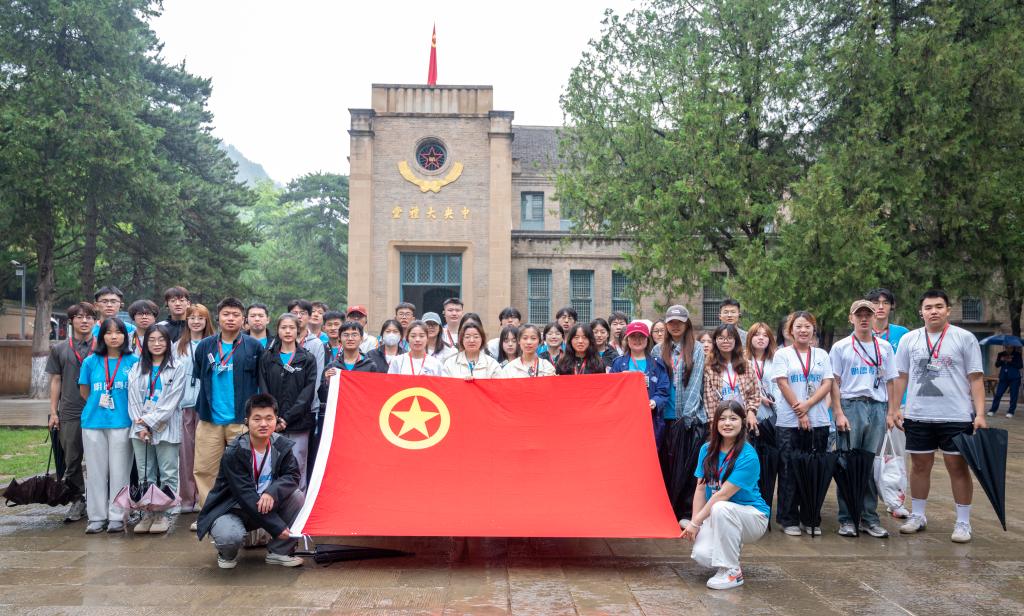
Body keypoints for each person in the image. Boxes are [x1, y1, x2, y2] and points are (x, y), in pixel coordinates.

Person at [892, 289, 987, 543]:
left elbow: (976, 378)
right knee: (919, 466)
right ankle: (918, 515)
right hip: (918, 414)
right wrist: (895, 408)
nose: (933, 311)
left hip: (956, 415)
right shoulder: (909, 339)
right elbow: (900, 376)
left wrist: (980, 414)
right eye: (928, 307)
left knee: (957, 467)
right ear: (920, 312)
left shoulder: (964, 338)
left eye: (938, 306)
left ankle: (963, 522)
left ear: (948, 310)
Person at [197, 394, 304, 569]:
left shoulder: (282, 445)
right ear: (247, 421)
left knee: (297, 497)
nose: (263, 424)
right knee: (229, 537)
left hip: (264, 505)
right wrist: (277, 527)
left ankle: (279, 552)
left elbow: (292, 475)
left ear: (276, 420)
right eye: (257, 419)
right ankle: (226, 554)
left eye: (269, 418)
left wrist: (272, 492)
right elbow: (245, 494)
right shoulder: (235, 451)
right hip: (233, 509)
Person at [828, 300, 898, 538]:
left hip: (877, 406)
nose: (864, 318)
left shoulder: (884, 347)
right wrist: (838, 412)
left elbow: (890, 381)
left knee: (869, 464)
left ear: (874, 318)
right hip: (851, 406)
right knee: (847, 463)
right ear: (851, 318)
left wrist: (891, 412)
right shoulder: (841, 347)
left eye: (868, 314)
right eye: (859, 315)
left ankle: (869, 517)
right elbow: (834, 382)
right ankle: (847, 518)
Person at [682, 400, 769, 590]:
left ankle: (732, 572)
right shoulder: (706, 449)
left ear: (742, 422)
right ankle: (731, 544)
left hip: (753, 516)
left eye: (733, 418)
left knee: (720, 507)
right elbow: (700, 489)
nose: (727, 423)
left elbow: (721, 496)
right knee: (703, 555)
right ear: (715, 423)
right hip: (720, 514)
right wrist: (696, 523)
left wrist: (695, 523)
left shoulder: (748, 456)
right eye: (722, 419)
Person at [192, 298, 264, 512]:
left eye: (235, 315)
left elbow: (260, 381)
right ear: (218, 318)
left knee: (244, 470)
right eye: (226, 314)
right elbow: (199, 374)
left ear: (243, 320)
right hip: (209, 419)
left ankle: (244, 513)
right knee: (205, 469)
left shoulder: (253, 346)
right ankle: (209, 514)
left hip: (241, 420)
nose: (230, 318)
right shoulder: (205, 346)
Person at [770, 311, 834, 536]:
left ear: (813, 329)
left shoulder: (822, 354)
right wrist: (800, 410)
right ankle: (788, 519)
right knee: (789, 469)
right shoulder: (782, 354)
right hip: (789, 422)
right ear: (791, 331)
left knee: (813, 470)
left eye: (807, 326)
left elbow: (827, 383)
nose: (803, 330)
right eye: (798, 326)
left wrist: (808, 405)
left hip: (819, 420)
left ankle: (811, 517)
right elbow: (782, 383)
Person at [77, 317, 138, 534]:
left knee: (120, 471)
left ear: (125, 336)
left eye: (118, 332)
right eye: (109, 332)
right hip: (93, 422)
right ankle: (96, 517)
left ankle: (117, 516)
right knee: (95, 472)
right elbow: (85, 391)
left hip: (122, 422)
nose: (114, 337)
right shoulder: (90, 362)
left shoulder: (134, 361)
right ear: (101, 336)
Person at [127, 323, 187, 534]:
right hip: (139, 429)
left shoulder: (178, 367)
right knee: (146, 473)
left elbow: (172, 401)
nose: (157, 344)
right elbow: (132, 399)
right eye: (151, 340)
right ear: (145, 344)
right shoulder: (137, 367)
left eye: (161, 340)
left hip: (166, 427)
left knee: (168, 473)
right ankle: (147, 513)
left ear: (168, 343)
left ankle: (163, 514)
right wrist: (141, 425)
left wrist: (149, 422)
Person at [46, 301, 97, 523]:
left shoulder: (103, 346)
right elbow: (56, 380)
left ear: (95, 321)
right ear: (71, 321)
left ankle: (101, 499)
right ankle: (78, 499)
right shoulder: (59, 349)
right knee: (72, 458)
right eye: (79, 317)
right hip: (70, 410)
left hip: (99, 410)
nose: (84, 321)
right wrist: (53, 412)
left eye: (89, 317)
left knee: (100, 457)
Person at [258, 314, 317, 489]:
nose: (288, 331)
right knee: (272, 465)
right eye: (284, 327)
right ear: (277, 330)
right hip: (272, 424)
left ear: (298, 330)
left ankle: (298, 501)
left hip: (299, 423)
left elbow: (307, 393)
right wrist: (274, 417)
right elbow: (264, 388)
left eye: (292, 327)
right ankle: (272, 499)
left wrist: (287, 418)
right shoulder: (267, 357)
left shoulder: (307, 358)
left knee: (298, 465)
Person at [174, 303, 214, 514]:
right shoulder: (178, 346)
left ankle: (203, 497)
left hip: (207, 405)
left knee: (206, 453)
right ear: (186, 321)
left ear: (207, 321)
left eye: (201, 318)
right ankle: (186, 498)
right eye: (192, 318)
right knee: (186, 453)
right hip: (185, 405)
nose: (196, 322)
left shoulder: (214, 343)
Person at [610, 322, 671, 443]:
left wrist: (654, 402)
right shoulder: (618, 363)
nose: (637, 340)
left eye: (641, 336)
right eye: (633, 336)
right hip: (624, 419)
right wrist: (620, 379)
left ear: (647, 339)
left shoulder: (656, 364)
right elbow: (611, 390)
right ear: (627, 339)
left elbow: (663, 390)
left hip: (650, 419)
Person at [652, 306, 705, 428]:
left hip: (688, 418)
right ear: (666, 325)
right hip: (663, 415)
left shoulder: (696, 348)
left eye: (679, 322)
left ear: (687, 324)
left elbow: (695, 384)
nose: (675, 326)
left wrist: (686, 417)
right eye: (671, 322)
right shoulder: (657, 350)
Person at [703, 324, 760, 429]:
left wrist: (751, 411)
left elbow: (754, 392)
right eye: (721, 338)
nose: (725, 341)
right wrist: (713, 423)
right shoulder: (709, 367)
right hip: (721, 421)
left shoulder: (746, 365)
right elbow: (708, 399)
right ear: (715, 341)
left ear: (736, 340)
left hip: (743, 418)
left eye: (729, 338)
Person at [287, 299, 326, 443]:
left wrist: (303, 403)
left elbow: (316, 379)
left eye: (302, 313)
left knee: (302, 451)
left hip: (307, 407)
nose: (298, 316)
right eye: (294, 313)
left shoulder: (316, 344)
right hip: (283, 405)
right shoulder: (279, 342)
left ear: (309, 316)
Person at [745, 322, 779, 423]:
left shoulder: (776, 360)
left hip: (774, 410)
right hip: (751, 411)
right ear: (750, 338)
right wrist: (760, 397)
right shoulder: (743, 360)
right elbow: (741, 386)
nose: (761, 338)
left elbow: (779, 385)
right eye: (756, 335)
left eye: (765, 335)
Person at [988, 346, 1021, 418]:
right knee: (998, 394)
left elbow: (1020, 366)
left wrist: (1010, 361)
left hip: (1014, 378)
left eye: (1010, 348)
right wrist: (1002, 360)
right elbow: (997, 365)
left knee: (1013, 395)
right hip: (1003, 378)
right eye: (1006, 348)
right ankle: (992, 410)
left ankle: (1011, 411)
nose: (1008, 349)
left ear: (1013, 348)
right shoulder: (1001, 354)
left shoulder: (1017, 355)